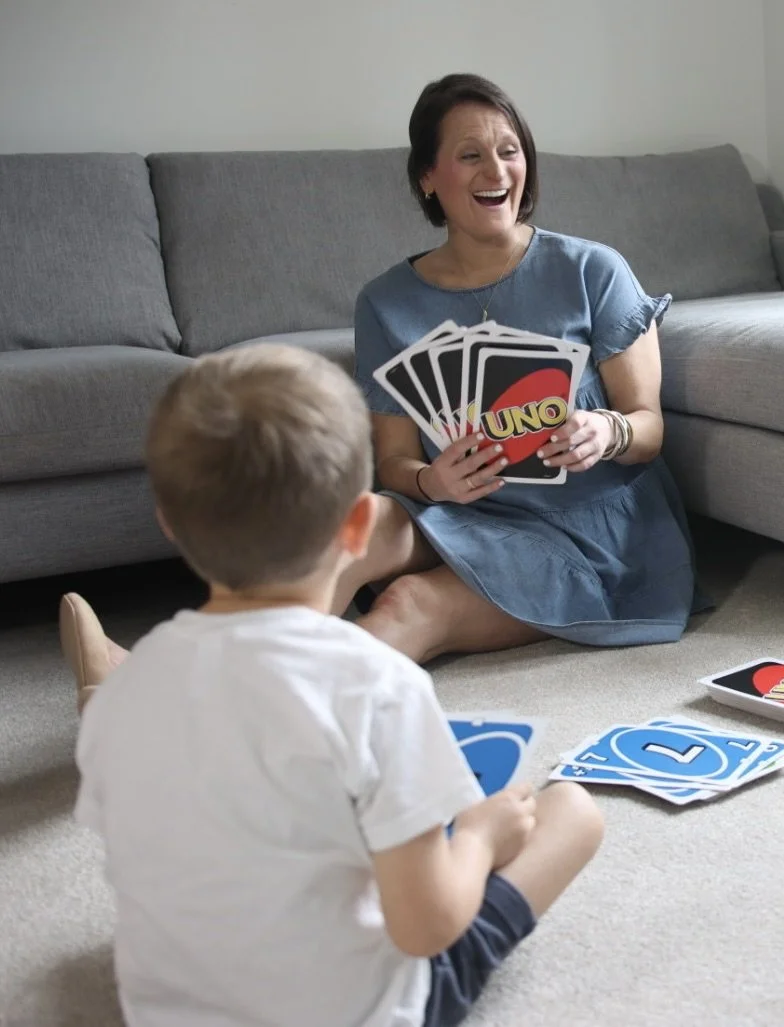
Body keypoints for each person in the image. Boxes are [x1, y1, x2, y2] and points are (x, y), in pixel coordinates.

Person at [64, 344, 604, 1026]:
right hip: (357, 1011)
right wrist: (477, 839)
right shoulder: (378, 684)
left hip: (169, 1011)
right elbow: (426, 927)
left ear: (168, 522)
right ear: (358, 525)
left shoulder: (129, 691)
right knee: (572, 811)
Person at [337, 71, 703, 664]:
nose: (496, 171)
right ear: (427, 176)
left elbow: (649, 428)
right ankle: (240, 673)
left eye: (509, 152)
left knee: (409, 602)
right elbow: (395, 461)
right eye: (470, 155)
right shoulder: (384, 303)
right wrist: (431, 482)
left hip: (586, 537)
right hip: (461, 511)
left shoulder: (594, 270)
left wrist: (608, 430)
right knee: (350, 530)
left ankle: (288, 706)